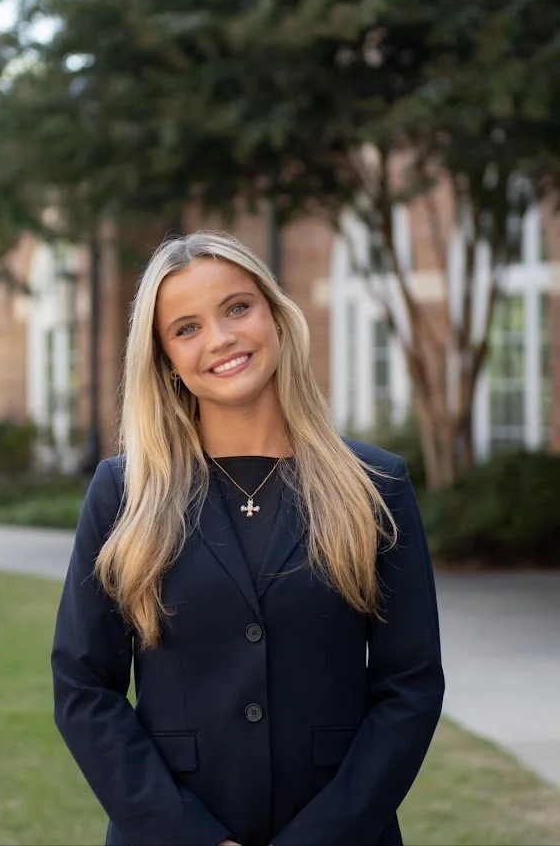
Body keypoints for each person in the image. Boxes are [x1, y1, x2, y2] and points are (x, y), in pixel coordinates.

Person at [51, 230, 445, 846]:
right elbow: (83, 691)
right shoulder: (122, 493)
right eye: (186, 328)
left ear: (275, 317)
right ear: (165, 360)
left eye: (237, 307)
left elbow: (410, 687)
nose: (221, 338)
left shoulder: (375, 485)